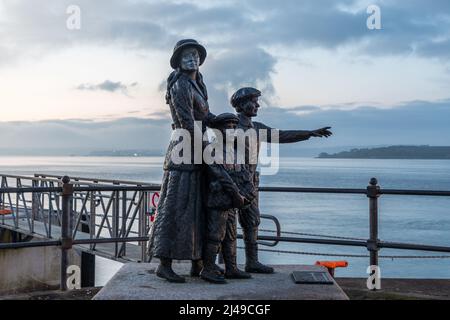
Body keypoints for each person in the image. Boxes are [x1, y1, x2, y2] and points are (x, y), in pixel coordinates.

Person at [230, 87, 332, 274]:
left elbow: (282, 135)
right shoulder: (231, 127)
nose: (257, 105)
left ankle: (252, 262)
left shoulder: (257, 128)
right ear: (242, 104)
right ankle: (227, 265)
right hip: (231, 182)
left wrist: (309, 133)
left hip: (250, 183)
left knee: (252, 221)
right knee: (225, 224)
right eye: (254, 101)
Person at [148, 39, 216, 283]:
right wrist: (208, 149)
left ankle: (197, 262)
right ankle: (164, 264)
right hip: (183, 151)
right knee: (175, 207)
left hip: (196, 149)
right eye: (187, 55)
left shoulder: (198, 85)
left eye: (196, 54)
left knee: (197, 208)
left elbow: (206, 117)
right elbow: (187, 122)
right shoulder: (180, 85)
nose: (193, 58)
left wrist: (229, 123)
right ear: (178, 60)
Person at [201, 113, 255, 284]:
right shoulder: (211, 150)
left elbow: (244, 175)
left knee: (231, 235)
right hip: (218, 201)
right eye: (228, 127)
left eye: (234, 127)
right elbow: (221, 175)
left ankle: (231, 267)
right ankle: (208, 268)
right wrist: (236, 194)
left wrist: (247, 194)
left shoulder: (235, 150)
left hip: (233, 202)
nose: (232, 131)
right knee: (215, 235)